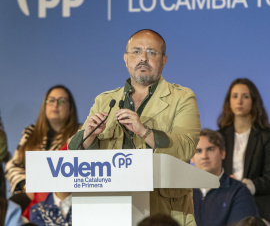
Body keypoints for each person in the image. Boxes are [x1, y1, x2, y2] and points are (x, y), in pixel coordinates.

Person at [68, 29, 201, 225]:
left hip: (163, 211)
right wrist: (88, 137)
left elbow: (187, 147)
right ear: (126, 58)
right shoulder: (104, 100)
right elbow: (73, 152)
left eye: (152, 53)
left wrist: (144, 132)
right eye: (136, 52)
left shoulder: (182, 98)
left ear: (164, 60)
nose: (143, 58)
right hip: (111, 209)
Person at [5, 85, 79, 214]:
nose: (55, 104)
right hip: (28, 195)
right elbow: (13, 165)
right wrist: (27, 185)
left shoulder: (80, 133)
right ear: (45, 105)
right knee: (11, 206)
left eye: (61, 101)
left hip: (62, 198)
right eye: (51, 100)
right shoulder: (30, 133)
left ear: (70, 107)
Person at [217, 78, 270, 221]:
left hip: (258, 209)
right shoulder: (219, 137)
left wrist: (250, 185)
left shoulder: (266, 136)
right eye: (235, 96)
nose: (239, 101)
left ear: (254, 101)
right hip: (224, 206)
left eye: (245, 96)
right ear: (229, 102)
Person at [191, 129, 258, 226]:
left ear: (222, 153)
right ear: (191, 157)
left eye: (210, 149)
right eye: (198, 151)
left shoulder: (239, 192)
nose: (204, 156)